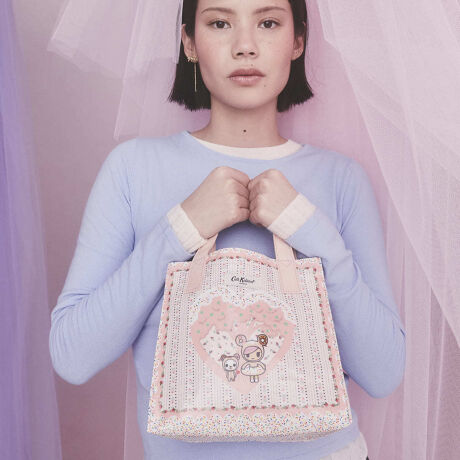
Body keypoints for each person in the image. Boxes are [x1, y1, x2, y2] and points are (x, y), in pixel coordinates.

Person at [49, 1, 405, 458]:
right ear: (189, 42)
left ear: (298, 41)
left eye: (268, 23)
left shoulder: (342, 179)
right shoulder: (133, 169)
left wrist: (308, 229)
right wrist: (179, 228)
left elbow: (383, 372)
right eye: (220, 23)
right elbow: (73, 357)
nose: (245, 46)